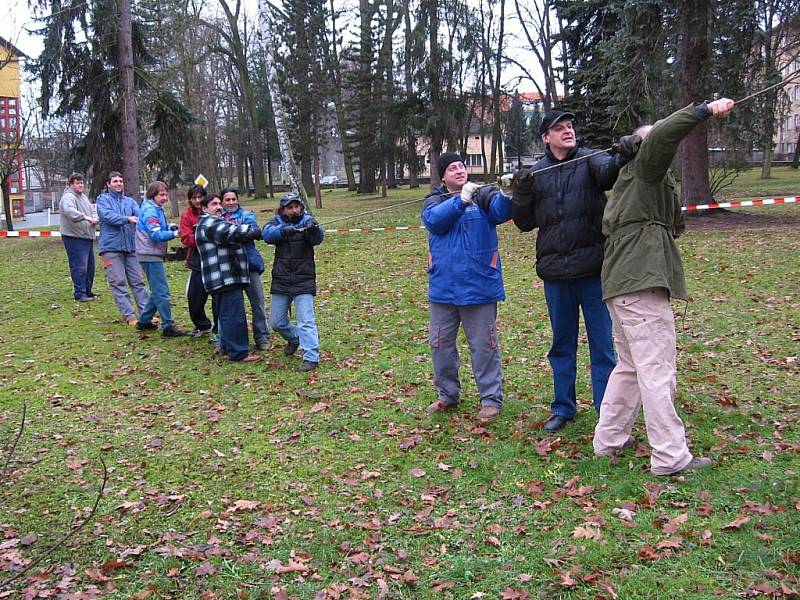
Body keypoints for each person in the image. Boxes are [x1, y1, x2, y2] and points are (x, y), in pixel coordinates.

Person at [593, 98, 736, 476]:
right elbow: (663, 136)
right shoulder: (645, 167)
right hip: (639, 281)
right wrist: (703, 110)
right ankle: (671, 457)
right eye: (653, 141)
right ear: (644, 148)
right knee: (656, 369)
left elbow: (673, 221)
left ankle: (609, 441)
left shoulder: (638, 182)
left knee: (629, 366)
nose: (662, 147)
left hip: (622, 281)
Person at [512, 110, 638, 433]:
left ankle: (605, 411)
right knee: (562, 345)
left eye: (570, 126)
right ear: (546, 138)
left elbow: (609, 172)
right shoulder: (537, 173)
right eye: (559, 128)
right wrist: (522, 191)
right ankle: (563, 408)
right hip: (555, 274)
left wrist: (625, 152)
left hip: (593, 271)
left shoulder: (588, 159)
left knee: (602, 346)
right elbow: (524, 222)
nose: (568, 131)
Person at [421, 152, 512, 421]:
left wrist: (508, 195)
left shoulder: (483, 195)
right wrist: (460, 202)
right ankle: (448, 395)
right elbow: (434, 222)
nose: (459, 170)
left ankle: (491, 399)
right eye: (452, 168)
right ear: (443, 176)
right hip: (444, 288)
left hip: (479, 285)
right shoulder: (435, 200)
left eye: (461, 166)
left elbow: (500, 213)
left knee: (484, 346)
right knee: (440, 345)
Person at [195, 193, 262, 362]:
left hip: (223, 278)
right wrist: (255, 231)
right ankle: (239, 353)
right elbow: (231, 232)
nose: (218, 207)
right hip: (225, 277)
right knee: (234, 315)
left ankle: (227, 348)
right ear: (204, 208)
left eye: (219, 203)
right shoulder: (210, 222)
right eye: (213, 204)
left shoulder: (212, 221)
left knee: (225, 315)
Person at [261, 193, 324, 372]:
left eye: (297, 206)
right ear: (283, 210)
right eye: (290, 207)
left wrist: (313, 229)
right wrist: (282, 231)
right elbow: (266, 234)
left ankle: (311, 356)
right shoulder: (276, 222)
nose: (294, 210)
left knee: (306, 320)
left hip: (303, 279)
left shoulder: (307, 220)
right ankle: (295, 338)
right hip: (281, 280)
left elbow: (318, 238)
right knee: (276, 322)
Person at [134, 181, 189, 338]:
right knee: (162, 292)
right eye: (162, 195)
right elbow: (156, 234)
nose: (165, 198)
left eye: (166, 194)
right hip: (149, 254)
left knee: (156, 291)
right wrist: (175, 234)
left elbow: (159, 226)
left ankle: (144, 321)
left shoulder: (154, 208)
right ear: (153, 195)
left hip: (150, 253)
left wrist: (170, 226)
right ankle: (168, 326)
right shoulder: (150, 211)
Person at [96, 171, 150, 326]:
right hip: (111, 248)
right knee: (118, 282)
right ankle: (129, 315)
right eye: (115, 181)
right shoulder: (102, 200)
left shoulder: (130, 201)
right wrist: (127, 219)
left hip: (131, 247)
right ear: (108, 184)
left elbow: (140, 216)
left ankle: (146, 314)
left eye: (120, 181)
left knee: (138, 281)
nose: (118, 183)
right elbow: (107, 216)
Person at [221, 187, 271, 351]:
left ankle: (262, 336)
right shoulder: (218, 217)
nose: (231, 203)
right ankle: (228, 339)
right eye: (227, 200)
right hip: (228, 266)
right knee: (231, 306)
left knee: (257, 302)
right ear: (222, 201)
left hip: (250, 264)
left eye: (233, 199)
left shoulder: (247, 214)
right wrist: (238, 232)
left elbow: (252, 231)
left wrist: (230, 233)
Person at [58, 172, 99, 302]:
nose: (81, 185)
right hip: (74, 237)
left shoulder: (83, 197)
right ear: (71, 184)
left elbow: (92, 209)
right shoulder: (68, 197)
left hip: (86, 237)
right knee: (79, 266)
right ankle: (79, 293)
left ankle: (87, 291)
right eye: (77, 183)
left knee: (90, 267)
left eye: (82, 183)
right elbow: (70, 212)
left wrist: (95, 217)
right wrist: (85, 217)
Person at [179, 185, 214, 336]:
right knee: (194, 296)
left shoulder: (213, 210)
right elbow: (185, 237)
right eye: (194, 198)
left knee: (218, 296)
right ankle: (202, 324)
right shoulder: (187, 215)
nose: (198, 200)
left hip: (214, 258)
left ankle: (219, 326)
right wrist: (202, 238)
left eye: (200, 197)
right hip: (197, 259)